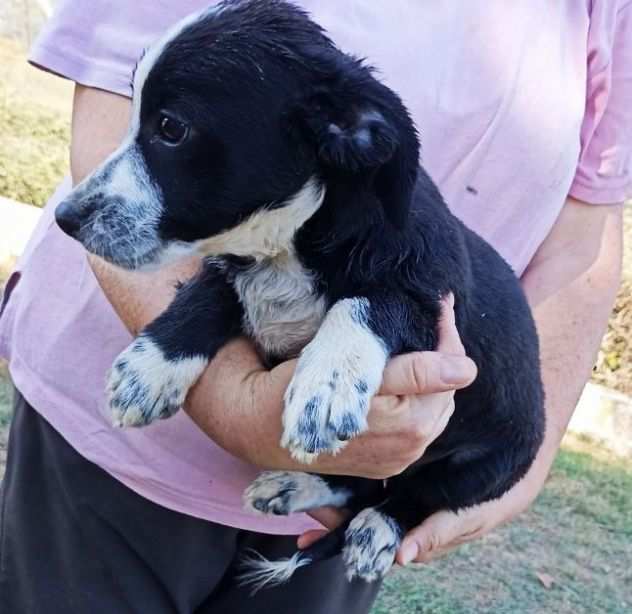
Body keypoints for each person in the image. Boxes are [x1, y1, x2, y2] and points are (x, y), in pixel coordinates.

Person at [0, 1, 629, 612]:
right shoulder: (253, 219)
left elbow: (583, 239)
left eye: (168, 129)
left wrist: (517, 467)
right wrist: (224, 393)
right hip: (108, 462)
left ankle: (364, 500)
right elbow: (113, 99)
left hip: (357, 477)